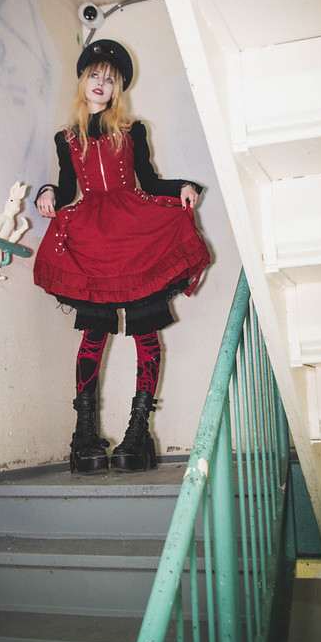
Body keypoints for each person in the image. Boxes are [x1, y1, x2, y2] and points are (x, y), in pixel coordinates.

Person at [34, 39, 210, 475]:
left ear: (118, 89)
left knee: (145, 332)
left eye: (110, 80)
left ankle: (137, 434)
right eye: (94, 75)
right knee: (94, 333)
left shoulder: (132, 131)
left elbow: (149, 181)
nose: (101, 83)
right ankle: (84, 435)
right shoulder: (66, 138)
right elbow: (68, 188)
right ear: (83, 81)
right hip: (93, 242)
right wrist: (48, 191)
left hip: (134, 235)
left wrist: (184, 186)